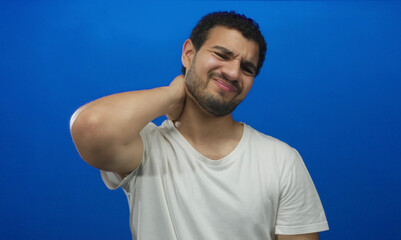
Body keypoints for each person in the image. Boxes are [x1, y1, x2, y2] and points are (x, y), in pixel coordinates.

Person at [70, 11, 328, 240]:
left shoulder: (281, 160)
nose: (233, 73)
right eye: (222, 55)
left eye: (247, 68)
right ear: (189, 54)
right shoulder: (145, 147)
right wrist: (172, 95)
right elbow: (91, 126)